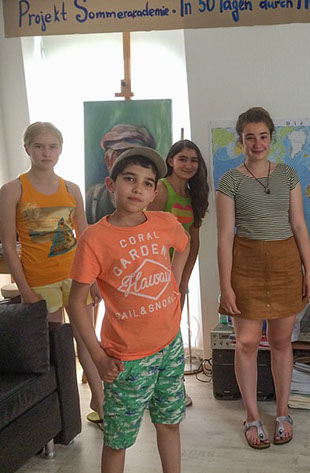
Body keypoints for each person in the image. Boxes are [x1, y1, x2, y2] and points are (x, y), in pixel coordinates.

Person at [68, 147, 190, 473]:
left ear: (155, 192)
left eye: (148, 183)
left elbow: (184, 243)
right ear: (111, 184)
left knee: (169, 423)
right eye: (130, 179)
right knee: (118, 440)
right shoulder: (94, 238)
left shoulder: (165, 222)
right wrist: (97, 355)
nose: (138, 189)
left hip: (170, 347)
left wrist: (175, 281)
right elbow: (76, 302)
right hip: (127, 358)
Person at [216, 107, 310, 449]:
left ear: (272, 138)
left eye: (263, 136)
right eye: (250, 137)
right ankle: (251, 416)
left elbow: (299, 224)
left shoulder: (288, 174)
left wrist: (309, 271)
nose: (257, 143)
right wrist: (226, 285)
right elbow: (224, 237)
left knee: (281, 341)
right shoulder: (230, 181)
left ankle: (283, 412)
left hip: (286, 265)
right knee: (245, 343)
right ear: (240, 140)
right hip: (246, 266)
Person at [0, 121, 104, 424]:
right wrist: (25, 290)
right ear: (27, 148)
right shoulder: (12, 190)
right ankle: (63, 414)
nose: (46, 152)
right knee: (56, 349)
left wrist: (93, 280)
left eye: (52, 146)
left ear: (60, 149)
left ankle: (100, 401)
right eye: (39, 146)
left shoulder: (71, 189)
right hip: (39, 281)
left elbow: (84, 238)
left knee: (87, 341)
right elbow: (9, 245)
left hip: (76, 278)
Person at [148, 139, 210, 408]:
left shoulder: (194, 194)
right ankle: (150, 390)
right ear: (170, 161)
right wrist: (162, 279)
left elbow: (193, 242)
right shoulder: (161, 189)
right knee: (154, 334)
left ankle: (173, 388)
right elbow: (148, 235)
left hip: (178, 276)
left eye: (193, 160)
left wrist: (184, 280)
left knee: (171, 335)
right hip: (155, 277)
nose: (188, 165)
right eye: (182, 158)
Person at [85, 124, 156, 224]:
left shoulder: (151, 201)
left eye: (136, 158)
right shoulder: (94, 197)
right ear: (108, 160)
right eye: (121, 155)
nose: (129, 164)